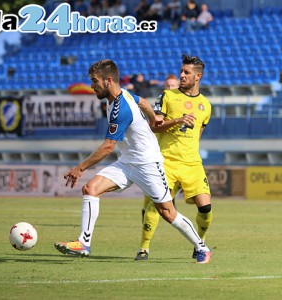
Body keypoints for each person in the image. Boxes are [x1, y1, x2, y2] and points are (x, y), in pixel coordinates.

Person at [54, 59, 212, 264]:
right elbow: (142, 101)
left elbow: (108, 146)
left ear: (108, 80)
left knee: (167, 212)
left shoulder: (121, 109)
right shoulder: (123, 95)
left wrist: (79, 168)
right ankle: (83, 243)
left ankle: (202, 248)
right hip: (128, 161)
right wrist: (153, 118)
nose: (92, 86)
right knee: (90, 189)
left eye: (94, 81)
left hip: (148, 163)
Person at [135, 55, 213, 261]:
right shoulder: (167, 97)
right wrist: (177, 120)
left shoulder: (206, 105)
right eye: (181, 71)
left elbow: (198, 135)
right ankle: (144, 248)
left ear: (198, 76)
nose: (182, 75)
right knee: (157, 206)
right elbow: (154, 125)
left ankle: (199, 244)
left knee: (205, 208)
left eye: (186, 72)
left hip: (192, 164)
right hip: (166, 161)